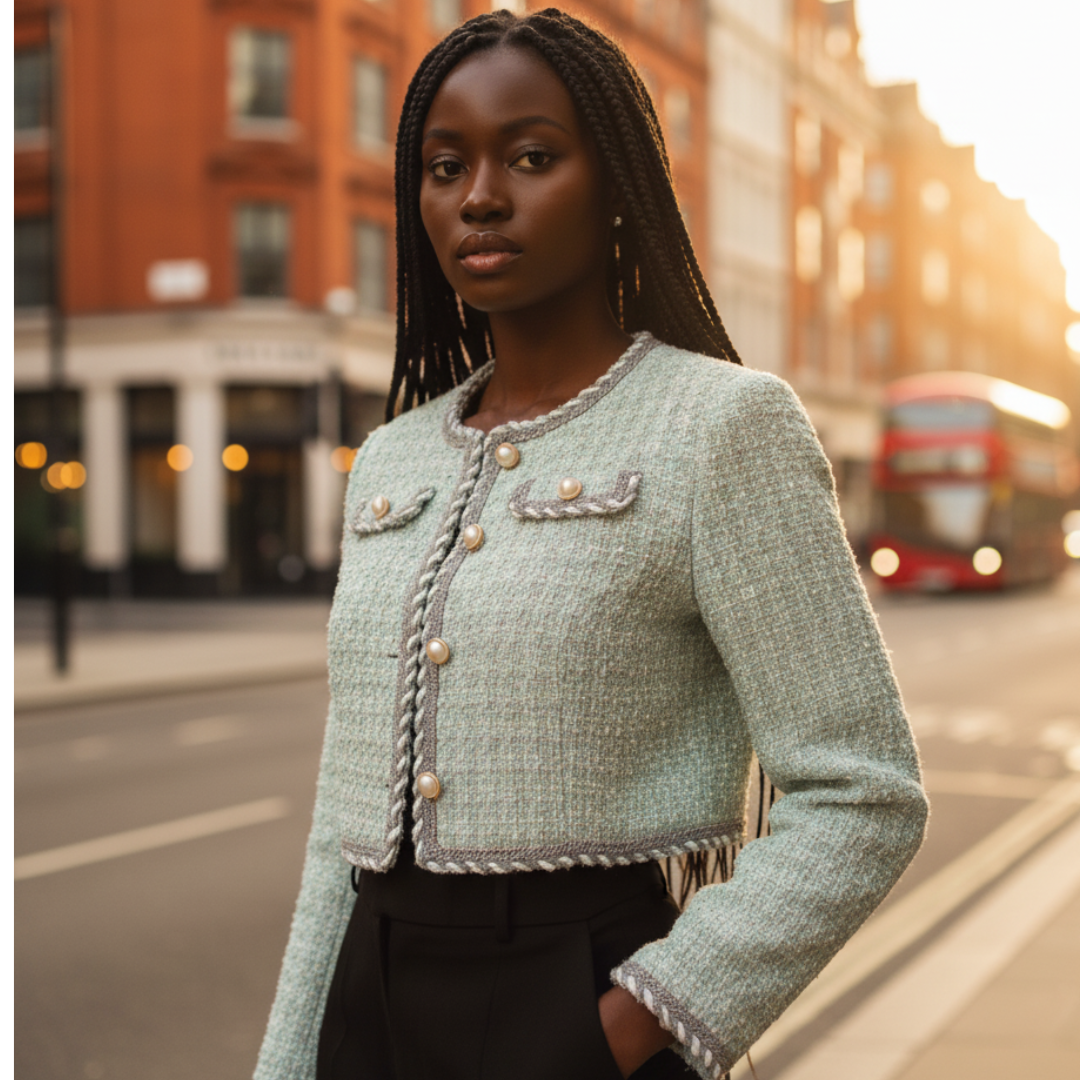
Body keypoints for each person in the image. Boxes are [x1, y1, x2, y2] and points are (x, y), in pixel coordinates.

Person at [254, 9, 928, 1080]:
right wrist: (289, 1063)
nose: (479, 195)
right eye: (444, 166)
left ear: (617, 182)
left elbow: (864, 793)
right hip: (364, 1012)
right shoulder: (388, 458)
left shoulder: (724, 427)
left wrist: (630, 1023)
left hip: (579, 1003)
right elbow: (339, 831)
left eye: (531, 157)